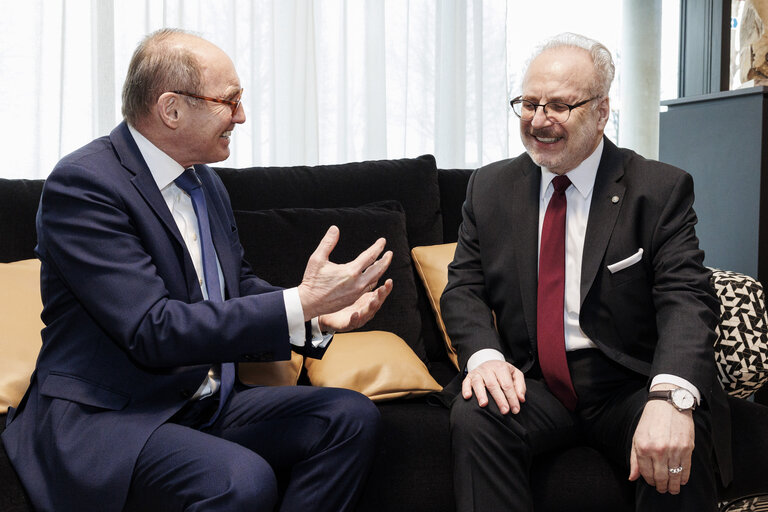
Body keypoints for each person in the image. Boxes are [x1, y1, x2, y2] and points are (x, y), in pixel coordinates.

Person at [1, 28, 394, 512]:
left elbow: (236, 287)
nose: (242, 116)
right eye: (230, 101)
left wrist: (313, 319)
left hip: (200, 400)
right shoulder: (84, 186)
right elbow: (152, 328)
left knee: (348, 416)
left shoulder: (204, 182)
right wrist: (301, 301)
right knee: (241, 480)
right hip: (112, 416)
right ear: (172, 109)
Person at [441, 32, 731, 511]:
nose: (539, 120)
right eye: (529, 103)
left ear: (601, 111)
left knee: (678, 432)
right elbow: (463, 289)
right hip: (532, 381)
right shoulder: (490, 187)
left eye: (559, 105)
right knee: (477, 414)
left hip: (629, 383)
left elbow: (688, 299)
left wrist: (671, 398)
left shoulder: (657, 189)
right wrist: (486, 359)